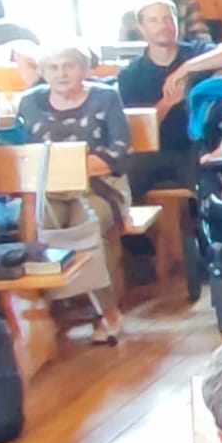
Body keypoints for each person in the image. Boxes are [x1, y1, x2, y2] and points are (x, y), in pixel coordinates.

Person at [17, 39, 132, 342]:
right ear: (43, 72)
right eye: (53, 68)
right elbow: (24, 153)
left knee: (86, 225)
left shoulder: (105, 98)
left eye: (69, 66)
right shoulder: (29, 102)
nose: (61, 73)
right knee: (42, 224)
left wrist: (68, 167)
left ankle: (106, 311)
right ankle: (50, 310)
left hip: (100, 186)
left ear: (84, 69)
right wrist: (62, 169)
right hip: (48, 190)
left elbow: (118, 151)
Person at [116, 0, 222, 192]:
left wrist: (186, 68)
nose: (163, 26)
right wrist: (168, 102)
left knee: (210, 185)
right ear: (142, 28)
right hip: (153, 154)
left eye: (168, 18)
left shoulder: (196, 53)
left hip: (196, 149)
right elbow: (136, 132)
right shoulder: (130, 74)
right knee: (126, 181)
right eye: (154, 20)